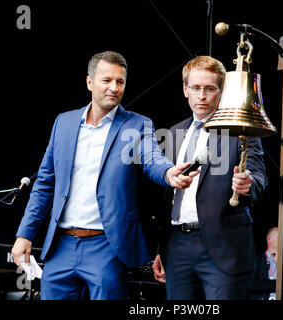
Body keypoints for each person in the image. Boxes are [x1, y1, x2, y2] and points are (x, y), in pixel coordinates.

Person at [11, 51, 198, 300]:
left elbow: (152, 159)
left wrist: (167, 173)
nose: (114, 88)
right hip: (60, 246)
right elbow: (45, 183)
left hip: (107, 247)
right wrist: (25, 234)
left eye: (120, 82)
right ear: (89, 82)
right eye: (106, 80)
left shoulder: (137, 125)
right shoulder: (64, 123)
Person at [151, 56, 267, 300]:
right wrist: (162, 248)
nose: (201, 96)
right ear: (185, 90)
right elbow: (166, 196)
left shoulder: (240, 130)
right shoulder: (173, 132)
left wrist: (247, 186)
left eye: (209, 88)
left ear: (221, 91)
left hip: (223, 246)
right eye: (195, 88)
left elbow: (258, 178)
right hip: (177, 246)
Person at [247, 227, 283, 300]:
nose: (281, 240)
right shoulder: (256, 261)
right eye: (278, 237)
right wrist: (279, 285)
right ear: (268, 239)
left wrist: (281, 265)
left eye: (282, 238)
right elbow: (250, 284)